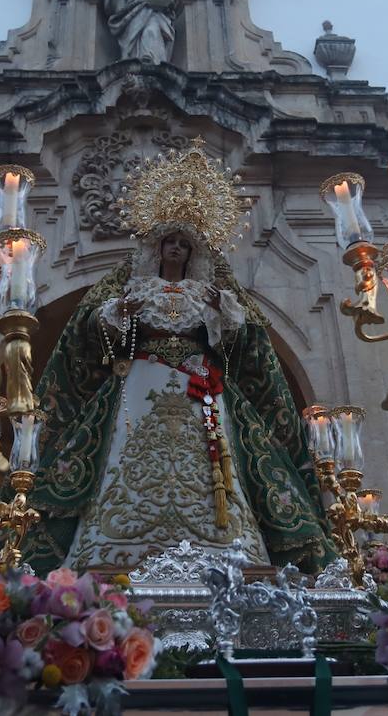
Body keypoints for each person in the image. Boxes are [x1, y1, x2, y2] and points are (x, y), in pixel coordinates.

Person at [20, 142, 333, 573]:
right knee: (122, 449)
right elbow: (90, 332)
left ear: (194, 252)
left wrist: (223, 313)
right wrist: (119, 316)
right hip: (139, 380)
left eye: (183, 245)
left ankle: (225, 543)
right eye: (169, 241)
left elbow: (243, 341)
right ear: (156, 245)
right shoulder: (131, 285)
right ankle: (113, 548)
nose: (175, 250)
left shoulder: (209, 290)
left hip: (198, 384)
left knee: (217, 456)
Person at [103, 0, 176, 64]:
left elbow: (167, 7)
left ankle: (154, 59)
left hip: (152, 17)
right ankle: (136, 58)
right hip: (132, 21)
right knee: (137, 38)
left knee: (151, 31)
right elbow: (119, 10)